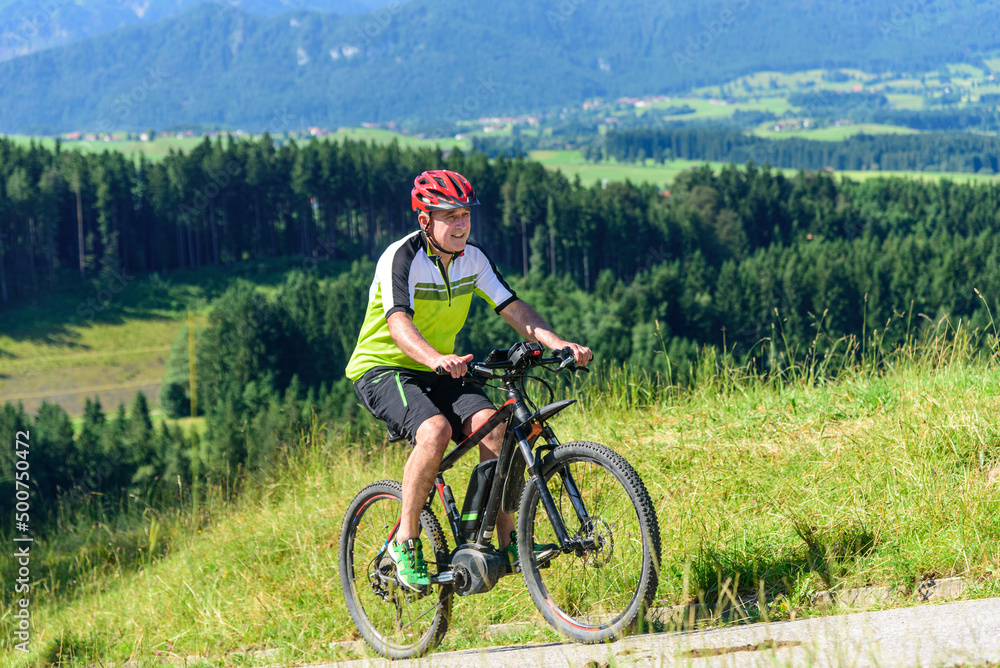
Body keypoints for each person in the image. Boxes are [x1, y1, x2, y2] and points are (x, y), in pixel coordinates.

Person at [346, 169, 592, 593]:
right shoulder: (400, 257)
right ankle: (405, 540)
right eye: (450, 216)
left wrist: (558, 342)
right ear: (425, 220)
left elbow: (513, 307)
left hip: (440, 367)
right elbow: (399, 323)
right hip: (383, 368)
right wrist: (435, 357)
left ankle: (508, 541)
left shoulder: (472, 258)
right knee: (435, 430)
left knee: (497, 431)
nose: (461, 223)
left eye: (465, 214)